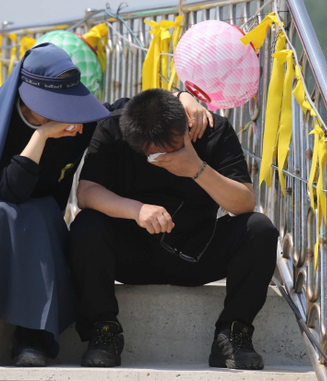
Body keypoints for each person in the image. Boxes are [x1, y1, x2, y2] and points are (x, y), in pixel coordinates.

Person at [0, 43, 212, 368]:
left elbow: (124, 111)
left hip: (36, 229)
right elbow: (9, 191)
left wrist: (180, 97)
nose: (60, 111)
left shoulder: (78, 123)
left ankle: (32, 335)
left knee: (42, 211)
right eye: (50, 104)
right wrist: (42, 135)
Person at [69, 88, 278, 370]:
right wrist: (136, 210)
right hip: (130, 253)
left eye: (171, 147)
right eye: (151, 153)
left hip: (196, 251)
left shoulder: (213, 130)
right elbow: (86, 193)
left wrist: (197, 168)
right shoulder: (113, 127)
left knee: (259, 229)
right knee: (86, 225)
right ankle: (103, 332)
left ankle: (233, 334)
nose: (162, 157)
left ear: (187, 126)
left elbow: (244, 203)